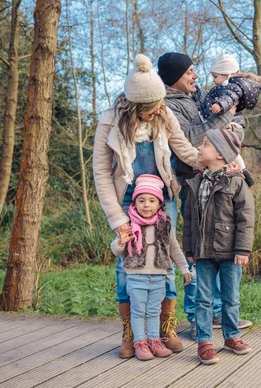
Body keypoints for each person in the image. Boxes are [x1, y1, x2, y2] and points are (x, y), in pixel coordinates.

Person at [93, 54, 201, 359]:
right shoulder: (111, 120)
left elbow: (185, 149)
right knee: (126, 266)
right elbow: (101, 172)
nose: (158, 111)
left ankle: (164, 327)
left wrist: (215, 162)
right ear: (135, 107)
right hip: (127, 198)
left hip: (162, 196)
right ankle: (130, 332)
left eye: (159, 105)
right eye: (151, 108)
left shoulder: (164, 113)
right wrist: (117, 219)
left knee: (164, 259)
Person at [157, 52, 252, 338]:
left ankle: (222, 315)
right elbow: (194, 139)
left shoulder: (197, 96)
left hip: (216, 179)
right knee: (198, 251)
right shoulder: (168, 107)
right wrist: (225, 115)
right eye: (189, 71)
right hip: (192, 183)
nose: (196, 76)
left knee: (219, 249)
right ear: (175, 76)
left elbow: (229, 129)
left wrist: (235, 123)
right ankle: (200, 316)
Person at [183, 129, 255, 365]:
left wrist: (243, 250)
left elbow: (245, 219)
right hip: (203, 253)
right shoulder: (196, 182)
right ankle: (204, 342)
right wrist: (189, 250)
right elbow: (190, 221)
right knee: (203, 298)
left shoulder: (236, 183)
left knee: (230, 297)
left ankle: (232, 336)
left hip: (229, 253)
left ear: (221, 155)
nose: (199, 148)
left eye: (205, 144)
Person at [111, 175, 192, 361]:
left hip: (158, 277)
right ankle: (140, 342)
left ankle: (154, 340)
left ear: (159, 204)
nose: (146, 205)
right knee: (138, 310)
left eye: (151, 200)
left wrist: (184, 268)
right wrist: (120, 243)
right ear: (135, 202)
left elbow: (174, 248)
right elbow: (115, 250)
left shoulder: (164, 224)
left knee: (154, 310)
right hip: (136, 277)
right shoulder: (128, 225)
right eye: (141, 200)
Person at [200, 53, 261, 187]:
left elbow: (229, 97)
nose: (213, 80)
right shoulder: (225, 86)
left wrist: (220, 105)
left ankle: (244, 173)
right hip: (227, 122)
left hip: (231, 122)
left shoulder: (231, 87)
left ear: (226, 75)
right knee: (226, 153)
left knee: (230, 153)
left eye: (215, 76)